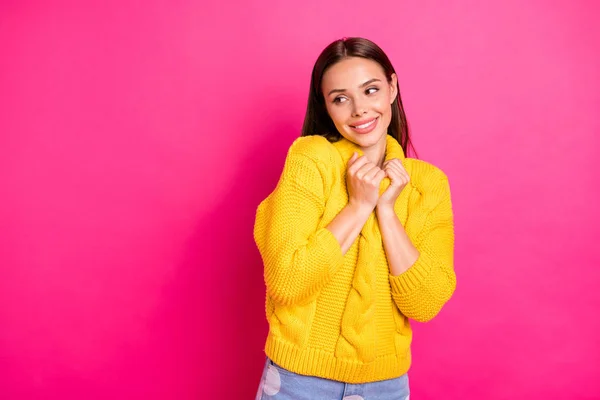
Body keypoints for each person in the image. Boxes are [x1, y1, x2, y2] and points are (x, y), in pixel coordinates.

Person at [253, 37, 456, 400]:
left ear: (392, 88)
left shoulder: (428, 184)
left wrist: (387, 210)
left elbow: (425, 303)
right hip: (300, 382)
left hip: (387, 387)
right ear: (327, 108)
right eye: (341, 98)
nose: (359, 110)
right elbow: (287, 281)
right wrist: (359, 206)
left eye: (371, 90)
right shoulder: (310, 160)